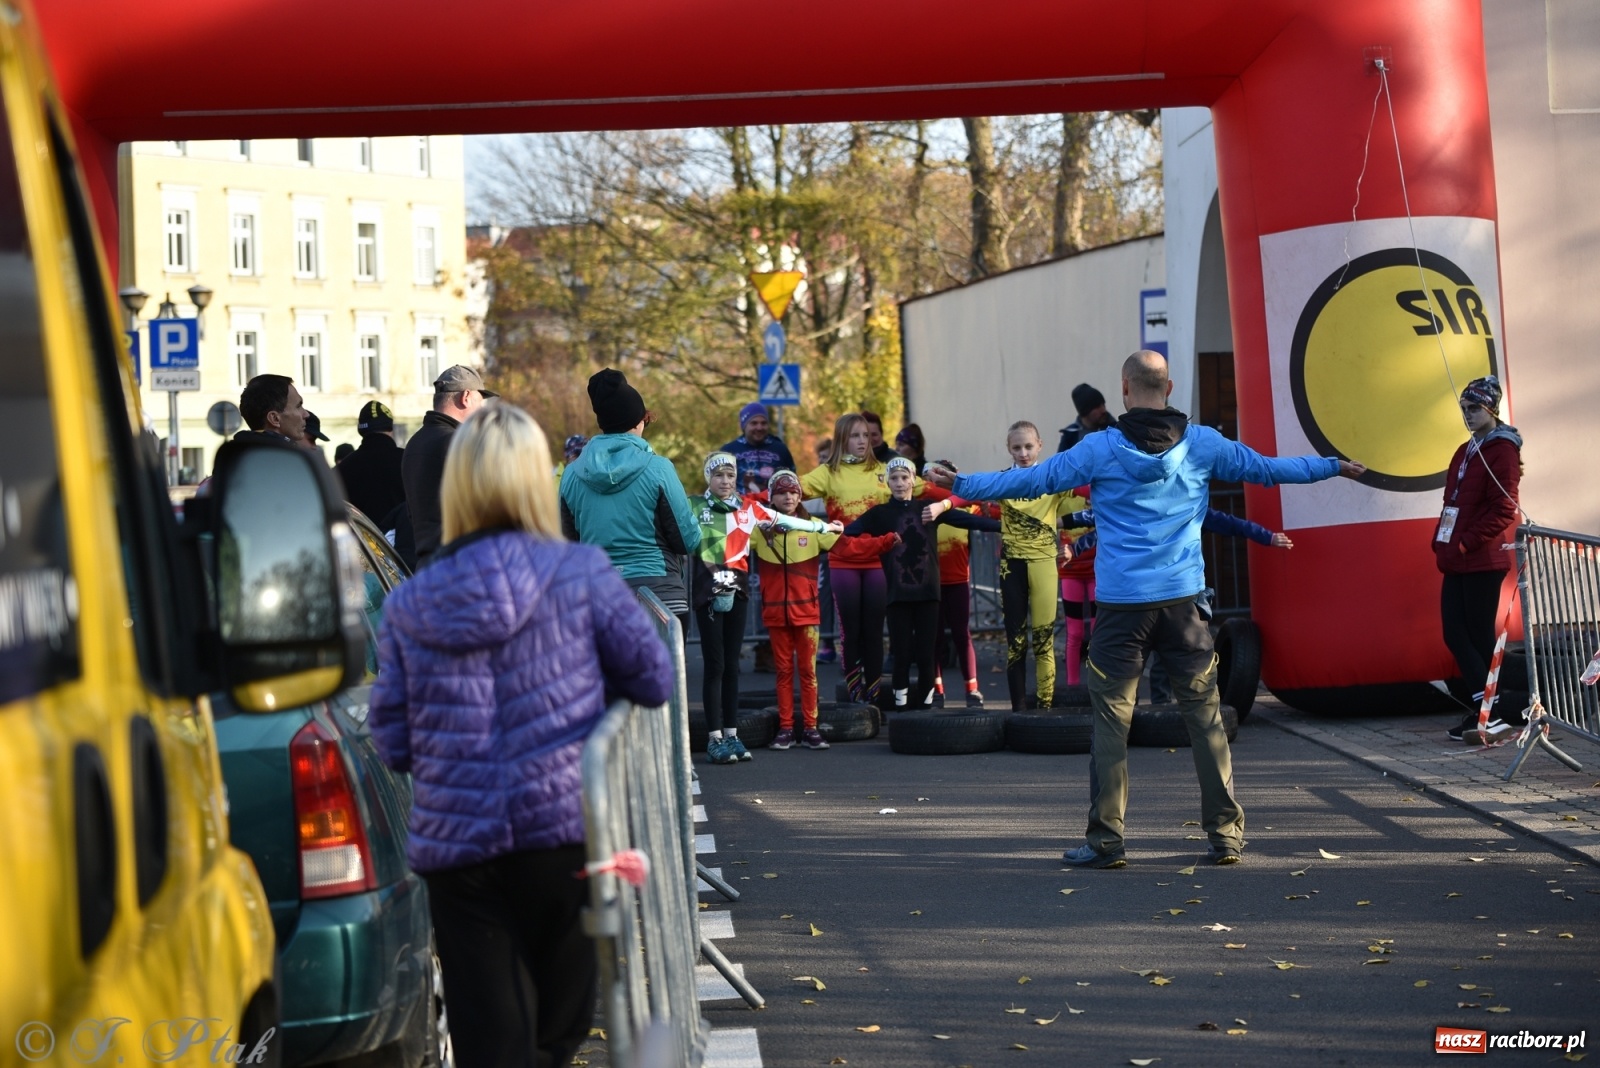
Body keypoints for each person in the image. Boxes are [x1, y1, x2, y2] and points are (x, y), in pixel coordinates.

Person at [926, 350, 1362, 869]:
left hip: (1121, 610)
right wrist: (1331, 466)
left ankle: (1106, 842)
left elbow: (1031, 481)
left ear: (1125, 390)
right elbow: (1268, 470)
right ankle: (1225, 836)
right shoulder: (1202, 443)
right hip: (1183, 607)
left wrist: (962, 485)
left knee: (1111, 724)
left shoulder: (1099, 448)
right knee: (1205, 720)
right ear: (1169, 387)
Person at [369, 402, 674, 1068]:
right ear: (538, 479)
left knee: (491, 1041)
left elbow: (392, 741)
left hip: (460, 848)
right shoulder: (582, 575)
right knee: (560, 1029)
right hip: (562, 831)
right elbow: (653, 677)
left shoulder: (411, 602)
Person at [693, 453, 843, 763]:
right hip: (708, 593)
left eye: (730, 475)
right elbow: (676, 534)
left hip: (737, 592)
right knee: (715, 666)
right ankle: (714, 738)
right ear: (708, 477)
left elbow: (785, 520)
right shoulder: (694, 506)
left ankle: (732, 735)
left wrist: (824, 528)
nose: (725, 481)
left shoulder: (749, 508)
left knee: (731, 666)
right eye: (718, 475)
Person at [802, 414, 948, 704]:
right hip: (844, 561)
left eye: (866, 436)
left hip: (879, 563)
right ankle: (856, 697)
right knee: (851, 631)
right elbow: (787, 491)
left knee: (874, 631)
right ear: (842, 439)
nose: (862, 441)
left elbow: (935, 491)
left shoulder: (887, 471)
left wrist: (971, 495)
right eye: (855, 436)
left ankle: (872, 696)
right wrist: (746, 500)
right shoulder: (828, 472)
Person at [755, 470, 893, 748]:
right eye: (782, 492)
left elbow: (850, 548)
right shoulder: (758, 529)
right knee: (783, 672)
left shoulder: (815, 526)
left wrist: (884, 542)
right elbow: (729, 545)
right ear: (771, 497)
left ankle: (810, 728)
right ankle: (785, 729)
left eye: (794, 492)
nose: (789, 497)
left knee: (808, 673)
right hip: (775, 614)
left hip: (807, 615)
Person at [560, 368, 701, 638]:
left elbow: (569, 545)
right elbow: (687, 540)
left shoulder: (571, 475)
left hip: (599, 597)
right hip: (660, 598)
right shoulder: (659, 468)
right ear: (637, 422)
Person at [848, 457, 998, 709]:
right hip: (897, 596)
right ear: (887, 482)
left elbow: (969, 521)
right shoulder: (878, 514)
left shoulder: (929, 508)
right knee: (902, 655)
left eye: (904, 477)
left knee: (927, 654)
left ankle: (927, 706)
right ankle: (900, 707)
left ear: (913, 480)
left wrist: (1002, 526)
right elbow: (846, 532)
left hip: (928, 594)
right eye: (894, 478)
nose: (899, 483)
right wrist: (820, 532)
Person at [1435, 375, 1525, 742]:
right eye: (1463, 408)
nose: (1467, 415)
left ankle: (1489, 713)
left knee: (1473, 636)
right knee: (1457, 634)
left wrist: (1464, 543)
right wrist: (1441, 540)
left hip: (1481, 559)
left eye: (1474, 408)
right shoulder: (1467, 449)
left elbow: (1504, 509)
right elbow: (1452, 501)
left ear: (1491, 409)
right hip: (1457, 557)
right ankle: (1489, 711)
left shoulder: (1502, 450)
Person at [994, 421, 1082, 711]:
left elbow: (1087, 492)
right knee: (1016, 644)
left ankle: (1045, 710)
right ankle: (1018, 713)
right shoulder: (1003, 480)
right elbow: (966, 492)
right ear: (1009, 449)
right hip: (1012, 567)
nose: (1023, 453)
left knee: (1044, 642)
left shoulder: (1052, 479)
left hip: (1044, 565)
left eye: (1028, 446)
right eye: (1017, 447)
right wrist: (943, 505)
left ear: (1040, 446)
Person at [402, 364, 491, 567]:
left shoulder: (413, 443)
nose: (482, 411)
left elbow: (411, 513)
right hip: (462, 566)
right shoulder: (461, 443)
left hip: (425, 565)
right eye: (480, 402)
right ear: (466, 397)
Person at [931, 500, 991, 707]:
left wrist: (982, 500)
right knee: (934, 637)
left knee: (962, 635)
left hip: (958, 581)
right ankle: (936, 691)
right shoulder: (925, 505)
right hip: (931, 583)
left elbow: (991, 512)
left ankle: (972, 689)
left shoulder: (967, 505)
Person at [336, 401, 406, 524]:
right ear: (390, 429)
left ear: (361, 430)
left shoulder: (343, 469)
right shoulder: (408, 460)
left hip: (359, 536)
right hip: (403, 535)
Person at [720, 402, 797, 496]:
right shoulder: (728, 451)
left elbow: (793, 483)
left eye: (763, 423)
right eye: (754, 423)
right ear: (744, 426)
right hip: (740, 504)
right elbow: (718, 485)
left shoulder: (780, 449)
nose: (759, 428)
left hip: (772, 504)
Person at [238, 373, 307, 443]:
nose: (306, 414)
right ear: (274, 418)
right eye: (298, 406)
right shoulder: (277, 450)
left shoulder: (242, 448)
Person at [1057, 383, 1114, 453]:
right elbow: (1061, 459)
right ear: (1085, 411)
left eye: (1103, 405)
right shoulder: (1070, 435)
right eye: (1097, 407)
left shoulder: (1114, 431)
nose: (1103, 410)